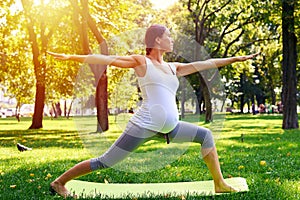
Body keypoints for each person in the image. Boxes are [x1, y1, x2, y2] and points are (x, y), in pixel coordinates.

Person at [48, 24, 259, 198]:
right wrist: (71, 57)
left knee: (206, 136)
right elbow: (107, 60)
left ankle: (219, 183)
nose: (172, 39)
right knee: (105, 161)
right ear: (157, 40)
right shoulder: (142, 62)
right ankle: (59, 183)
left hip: (171, 128)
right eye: (168, 36)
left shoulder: (173, 67)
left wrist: (235, 59)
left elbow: (206, 64)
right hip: (144, 126)